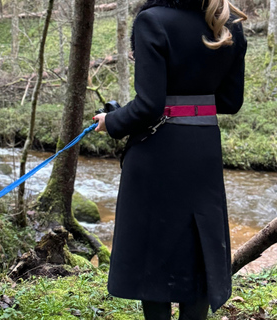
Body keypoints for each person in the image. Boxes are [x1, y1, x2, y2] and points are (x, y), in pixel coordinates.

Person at [93, 0, 247, 319]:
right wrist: (192, 102)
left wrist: (112, 121)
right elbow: (231, 101)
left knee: (154, 252)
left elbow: (149, 106)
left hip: (157, 151)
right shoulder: (228, 23)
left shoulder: (152, 21)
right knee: (197, 245)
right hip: (203, 149)